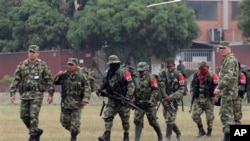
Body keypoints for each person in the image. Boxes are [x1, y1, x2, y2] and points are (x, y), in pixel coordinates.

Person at [9, 45, 55, 141]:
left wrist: (50, 94)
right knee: (24, 116)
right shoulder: (22, 65)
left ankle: (33, 137)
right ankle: (36, 131)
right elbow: (16, 80)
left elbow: (49, 80)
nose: (32, 54)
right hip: (25, 94)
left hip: (37, 94)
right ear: (28, 53)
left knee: (33, 116)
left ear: (38, 53)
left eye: (34, 52)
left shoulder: (42, 65)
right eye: (30, 52)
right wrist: (12, 93)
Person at [96, 55, 135, 141]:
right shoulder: (108, 73)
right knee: (107, 116)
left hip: (123, 100)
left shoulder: (125, 72)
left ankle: (126, 136)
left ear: (117, 63)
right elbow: (105, 83)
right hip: (112, 100)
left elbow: (131, 85)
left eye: (113, 64)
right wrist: (99, 89)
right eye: (111, 64)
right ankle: (107, 135)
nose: (111, 66)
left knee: (125, 120)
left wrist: (128, 97)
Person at [54, 58, 90, 141]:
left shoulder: (81, 76)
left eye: (71, 65)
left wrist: (85, 99)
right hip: (65, 103)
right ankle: (75, 131)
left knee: (75, 123)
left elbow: (87, 88)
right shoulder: (64, 75)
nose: (69, 66)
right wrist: (57, 75)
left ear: (76, 66)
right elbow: (56, 82)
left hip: (77, 103)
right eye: (68, 64)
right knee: (64, 122)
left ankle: (73, 137)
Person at [214, 41, 239, 141]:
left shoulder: (230, 60)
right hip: (228, 92)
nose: (221, 50)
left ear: (229, 48)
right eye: (220, 48)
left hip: (229, 92)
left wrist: (219, 87)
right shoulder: (227, 59)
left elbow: (228, 76)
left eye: (224, 48)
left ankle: (227, 138)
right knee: (230, 116)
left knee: (227, 115)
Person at [133, 62, 163, 141]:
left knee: (152, 121)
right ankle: (136, 139)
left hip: (149, 103)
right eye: (139, 71)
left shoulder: (151, 78)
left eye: (142, 71)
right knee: (138, 120)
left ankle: (160, 137)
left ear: (146, 69)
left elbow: (155, 90)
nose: (141, 72)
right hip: (139, 103)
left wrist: (151, 100)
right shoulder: (136, 78)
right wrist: (133, 99)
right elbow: (133, 89)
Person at [158, 58, 185, 141]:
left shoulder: (179, 75)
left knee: (170, 118)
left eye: (171, 66)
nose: (169, 68)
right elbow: (158, 86)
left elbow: (182, 90)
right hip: (164, 100)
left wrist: (172, 96)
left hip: (174, 100)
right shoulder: (162, 73)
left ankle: (168, 137)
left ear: (174, 65)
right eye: (168, 66)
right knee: (167, 118)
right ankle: (178, 132)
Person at [190, 61, 218, 138]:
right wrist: (192, 91)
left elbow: (217, 86)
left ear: (206, 67)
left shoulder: (212, 75)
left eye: (202, 68)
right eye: (200, 68)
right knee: (195, 115)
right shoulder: (196, 75)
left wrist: (216, 96)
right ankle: (201, 130)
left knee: (209, 118)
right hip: (198, 100)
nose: (201, 70)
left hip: (209, 100)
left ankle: (209, 132)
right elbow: (192, 84)